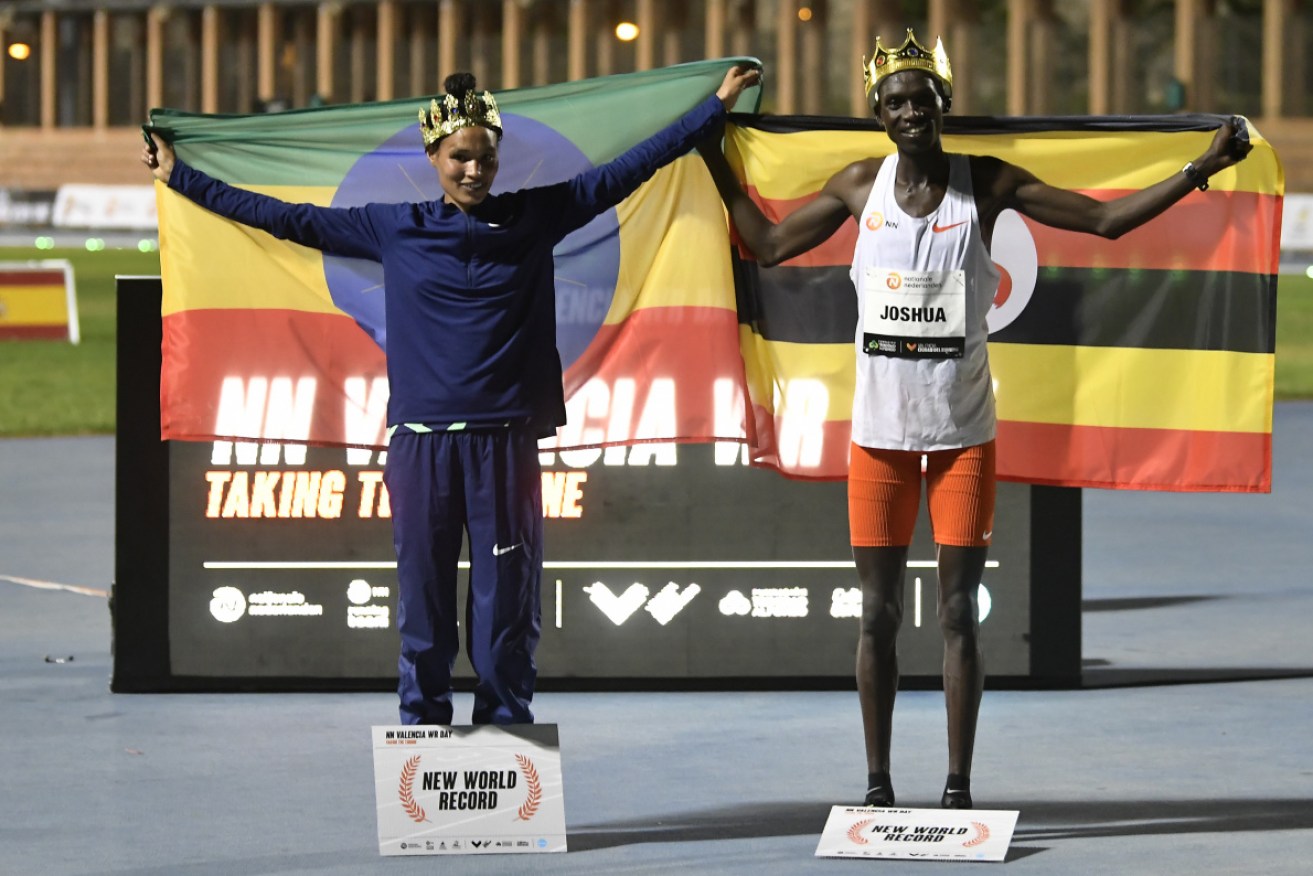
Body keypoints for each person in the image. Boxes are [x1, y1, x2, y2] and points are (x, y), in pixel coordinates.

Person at [698, 30, 1249, 808]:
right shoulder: (861, 186)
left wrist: (1200, 170)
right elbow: (765, 242)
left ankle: (957, 788)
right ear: (879, 115)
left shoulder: (983, 184)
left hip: (961, 437)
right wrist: (707, 151)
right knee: (877, 614)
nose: (909, 111)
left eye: (921, 98)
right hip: (880, 440)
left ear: (942, 104)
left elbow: (1103, 223)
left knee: (958, 613)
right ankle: (878, 785)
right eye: (894, 102)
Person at [144, 65, 761, 726]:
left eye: (485, 157)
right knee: (424, 602)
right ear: (432, 157)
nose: (473, 170)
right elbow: (283, 218)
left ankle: (505, 728)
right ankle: (423, 731)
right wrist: (181, 177)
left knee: (507, 605)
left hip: (506, 441)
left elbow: (624, 171)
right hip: (420, 444)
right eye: (459, 157)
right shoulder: (393, 227)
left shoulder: (535, 215)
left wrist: (712, 109)